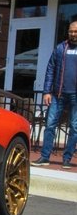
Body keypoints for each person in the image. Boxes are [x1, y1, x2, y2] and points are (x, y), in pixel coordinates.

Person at [31, 21, 77, 169]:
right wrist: (46, 92)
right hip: (58, 94)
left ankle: (67, 159)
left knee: (75, 128)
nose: (73, 34)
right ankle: (45, 157)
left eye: (76, 32)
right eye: (71, 31)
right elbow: (50, 70)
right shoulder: (60, 48)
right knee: (50, 125)